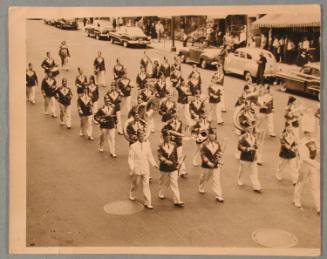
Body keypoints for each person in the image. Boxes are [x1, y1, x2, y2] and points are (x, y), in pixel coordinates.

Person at [128, 130, 158, 209]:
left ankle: (148, 202)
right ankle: (131, 192)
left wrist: (154, 164)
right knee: (136, 184)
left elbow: (150, 156)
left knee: (146, 185)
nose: (142, 137)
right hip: (137, 169)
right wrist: (132, 168)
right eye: (140, 136)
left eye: (143, 136)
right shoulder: (133, 146)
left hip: (145, 168)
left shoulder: (147, 145)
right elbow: (130, 159)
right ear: (137, 137)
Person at [293, 129, 320, 215]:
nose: (309, 134)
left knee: (315, 185)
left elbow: (318, 148)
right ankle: (296, 200)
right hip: (304, 165)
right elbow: (304, 158)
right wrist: (316, 164)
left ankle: (319, 206)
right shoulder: (301, 143)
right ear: (304, 133)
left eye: (310, 132)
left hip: (313, 165)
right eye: (307, 133)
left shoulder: (314, 140)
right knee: (301, 184)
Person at [157, 130, 184, 207]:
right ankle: (161, 193)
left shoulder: (174, 144)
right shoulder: (160, 146)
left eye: (169, 136)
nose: (168, 138)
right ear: (164, 137)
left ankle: (177, 200)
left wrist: (177, 163)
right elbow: (159, 156)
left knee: (174, 183)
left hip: (173, 168)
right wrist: (165, 161)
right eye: (167, 136)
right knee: (164, 182)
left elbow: (175, 155)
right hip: (164, 168)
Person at [199, 128, 224, 202]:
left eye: (214, 135)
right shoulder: (204, 144)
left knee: (216, 180)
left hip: (216, 165)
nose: (214, 136)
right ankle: (201, 186)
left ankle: (218, 195)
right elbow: (202, 155)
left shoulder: (217, 143)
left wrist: (220, 154)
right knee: (204, 178)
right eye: (212, 135)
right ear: (208, 136)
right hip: (206, 166)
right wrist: (208, 162)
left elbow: (219, 151)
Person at [237, 125, 262, 193]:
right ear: (245, 129)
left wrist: (257, 146)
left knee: (254, 172)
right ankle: (239, 179)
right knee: (242, 170)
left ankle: (256, 186)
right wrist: (248, 149)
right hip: (245, 157)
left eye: (251, 128)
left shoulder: (254, 136)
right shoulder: (242, 137)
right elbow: (239, 147)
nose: (251, 129)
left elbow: (255, 145)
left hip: (253, 157)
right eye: (249, 128)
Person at [162, 113, 188, 178]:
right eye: (173, 117)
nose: (175, 119)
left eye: (176, 117)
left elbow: (182, 131)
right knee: (171, 157)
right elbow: (163, 131)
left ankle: (183, 171)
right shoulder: (168, 124)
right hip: (171, 143)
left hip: (179, 143)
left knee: (179, 156)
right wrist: (170, 136)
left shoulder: (180, 123)